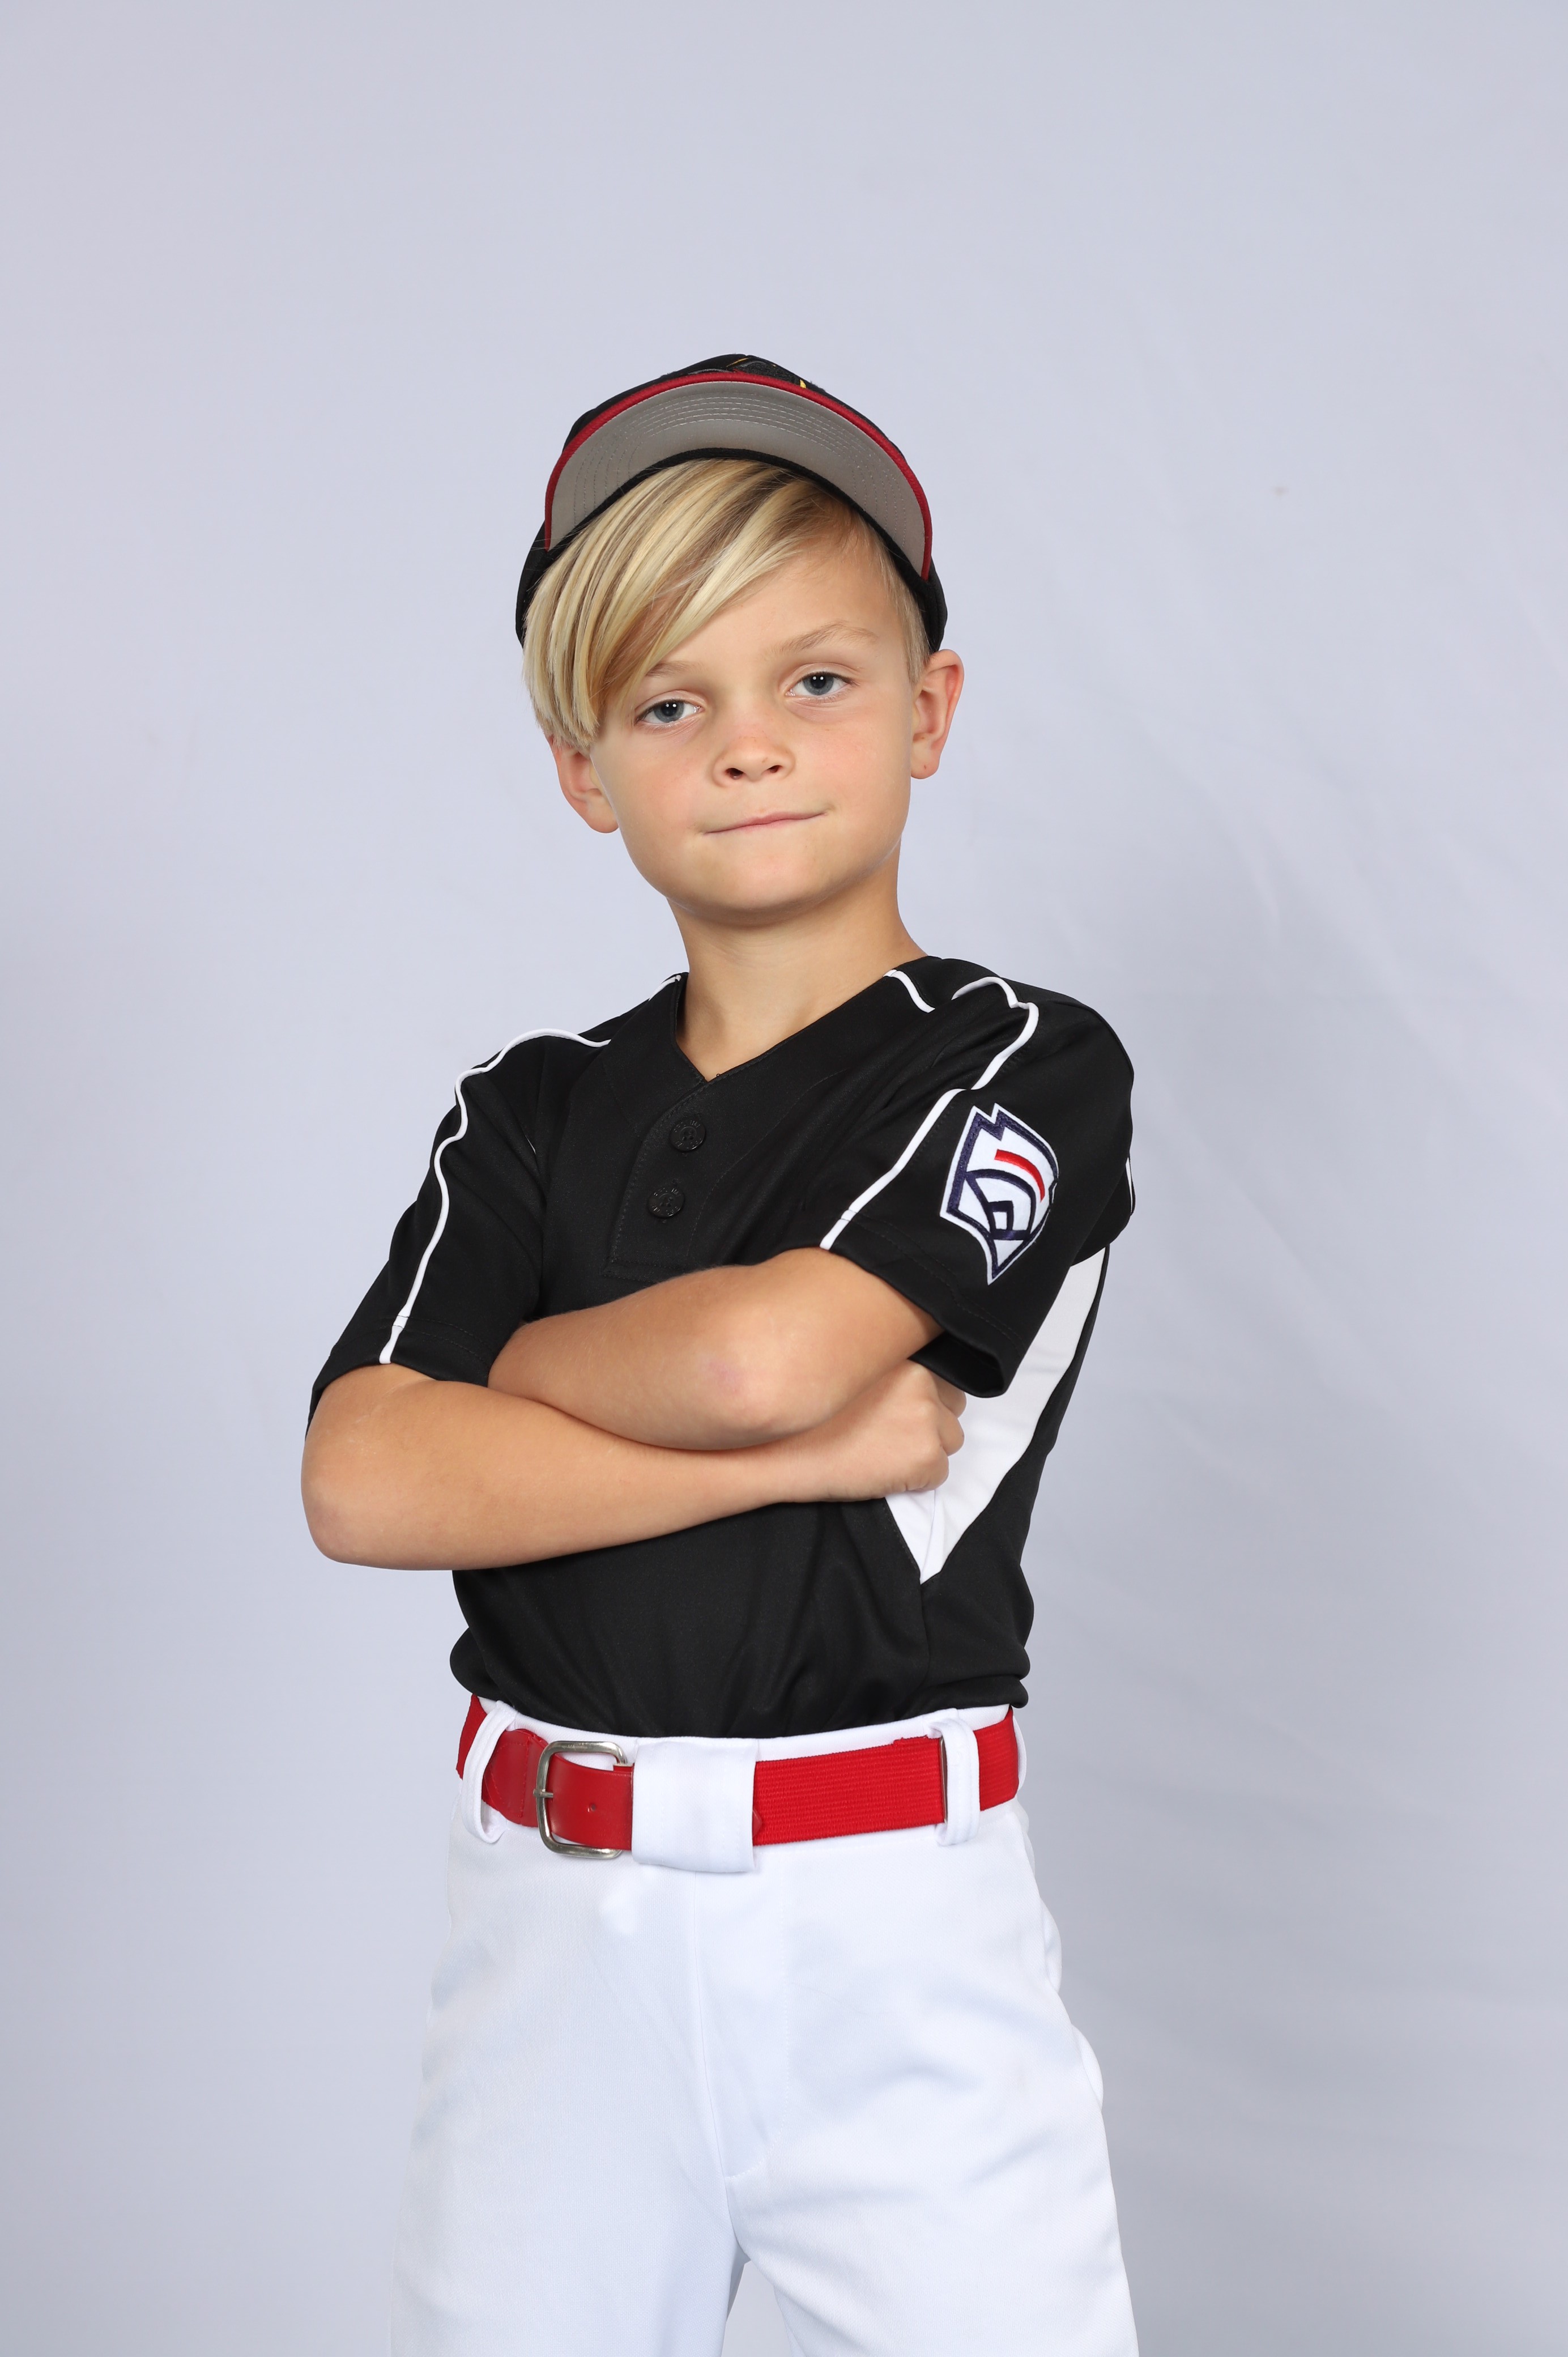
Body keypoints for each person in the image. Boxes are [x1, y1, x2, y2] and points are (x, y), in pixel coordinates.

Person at [303, 354, 1139, 2357]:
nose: (749, 746)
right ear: (587, 771)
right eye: (669, 704)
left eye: (817, 680)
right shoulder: (530, 1111)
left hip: (890, 1923)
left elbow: (772, 1352)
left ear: (929, 709)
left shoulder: (1020, 1060)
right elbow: (364, 1479)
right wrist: (792, 1460)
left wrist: (518, 1369)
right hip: (553, 1922)